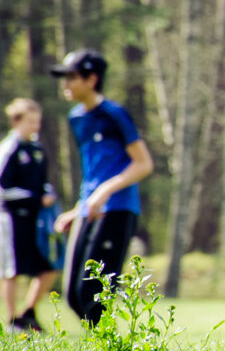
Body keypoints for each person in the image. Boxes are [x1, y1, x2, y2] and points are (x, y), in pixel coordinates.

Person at [50, 49, 154, 325]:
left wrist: (105, 191)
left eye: (71, 77)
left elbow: (143, 163)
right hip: (89, 208)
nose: (65, 84)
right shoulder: (76, 118)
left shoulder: (114, 114)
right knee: (73, 296)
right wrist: (77, 208)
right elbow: (94, 169)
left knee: (93, 293)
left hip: (118, 208)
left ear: (91, 79)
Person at [0, 101, 58, 331]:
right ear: (16, 121)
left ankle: (28, 313)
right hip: (11, 218)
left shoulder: (37, 148)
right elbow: (1, 186)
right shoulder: (8, 148)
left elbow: (42, 182)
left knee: (49, 266)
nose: (36, 125)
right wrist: (34, 197)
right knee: (11, 269)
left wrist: (47, 193)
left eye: (38, 121)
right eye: (31, 121)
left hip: (36, 219)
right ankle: (12, 321)